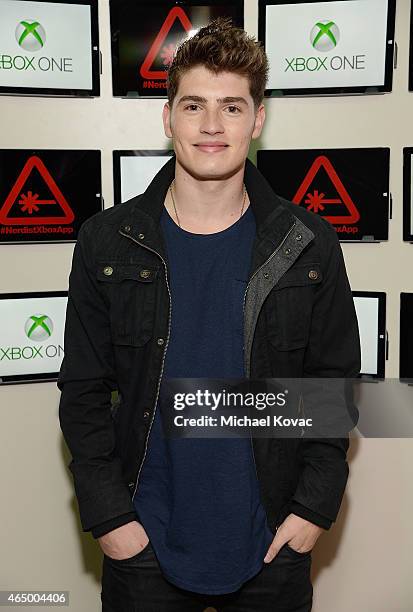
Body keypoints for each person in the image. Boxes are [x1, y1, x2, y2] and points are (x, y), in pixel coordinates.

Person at [57, 17, 361, 612]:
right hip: (143, 547)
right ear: (168, 117)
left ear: (258, 119)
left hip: (272, 545)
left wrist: (312, 512)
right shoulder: (107, 242)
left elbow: (332, 391)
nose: (213, 126)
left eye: (232, 106)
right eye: (194, 105)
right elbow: (83, 393)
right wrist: (111, 519)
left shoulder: (308, 243)